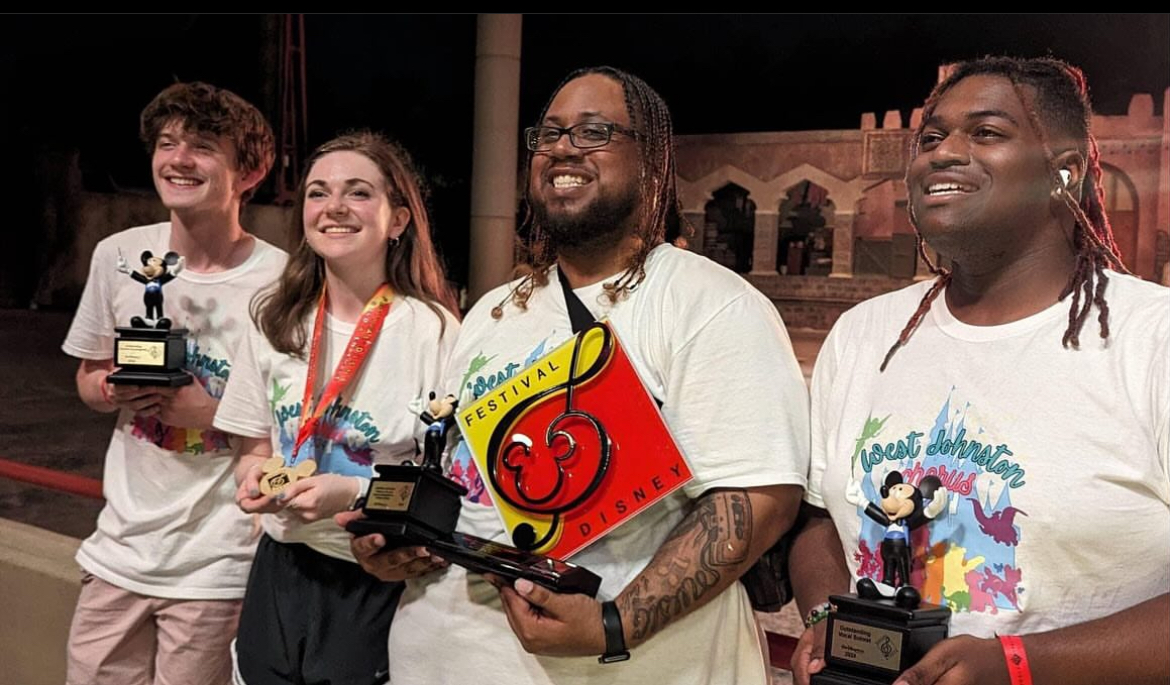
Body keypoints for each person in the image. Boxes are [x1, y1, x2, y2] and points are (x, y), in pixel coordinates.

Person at [339, 65, 810, 685]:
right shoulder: (492, 310)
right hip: (442, 654)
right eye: (551, 133)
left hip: (622, 668)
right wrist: (402, 539)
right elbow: (464, 471)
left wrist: (613, 624)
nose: (562, 147)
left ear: (651, 161)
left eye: (593, 132)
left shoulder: (708, 302)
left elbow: (756, 500)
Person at [790, 56, 1170, 685]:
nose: (943, 153)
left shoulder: (1150, 339)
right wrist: (829, 618)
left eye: (986, 133)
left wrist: (1018, 665)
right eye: (932, 137)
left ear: (1065, 173)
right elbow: (817, 521)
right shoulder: (865, 335)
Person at [214, 131, 459, 685]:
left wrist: (350, 493)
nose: (335, 208)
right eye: (318, 193)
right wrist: (256, 476)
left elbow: (447, 487)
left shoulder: (433, 331)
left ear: (398, 220)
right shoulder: (276, 319)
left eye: (358, 193)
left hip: (373, 574)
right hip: (279, 566)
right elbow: (252, 444)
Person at [62, 82, 283, 685]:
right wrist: (114, 391)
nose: (178, 158)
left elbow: (296, 421)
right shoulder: (118, 256)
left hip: (217, 565)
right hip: (118, 554)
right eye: (167, 143)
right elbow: (87, 374)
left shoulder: (282, 282)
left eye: (203, 146)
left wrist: (208, 412)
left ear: (251, 170)